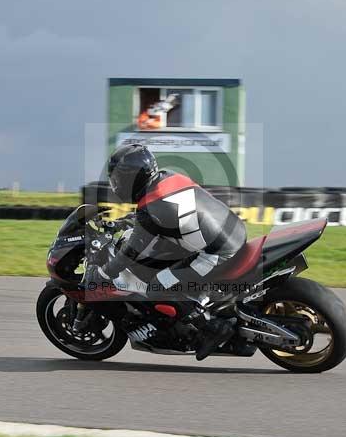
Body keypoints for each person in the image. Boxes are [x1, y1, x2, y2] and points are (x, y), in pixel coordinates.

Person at [86, 143, 247, 360]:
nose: (115, 186)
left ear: (131, 178)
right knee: (164, 262)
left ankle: (213, 328)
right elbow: (161, 218)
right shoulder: (167, 177)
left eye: (117, 180)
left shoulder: (151, 207)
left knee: (157, 286)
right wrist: (122, 222)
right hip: (233, 230)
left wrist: (105, 273)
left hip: (218, 253)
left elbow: (131, 252)